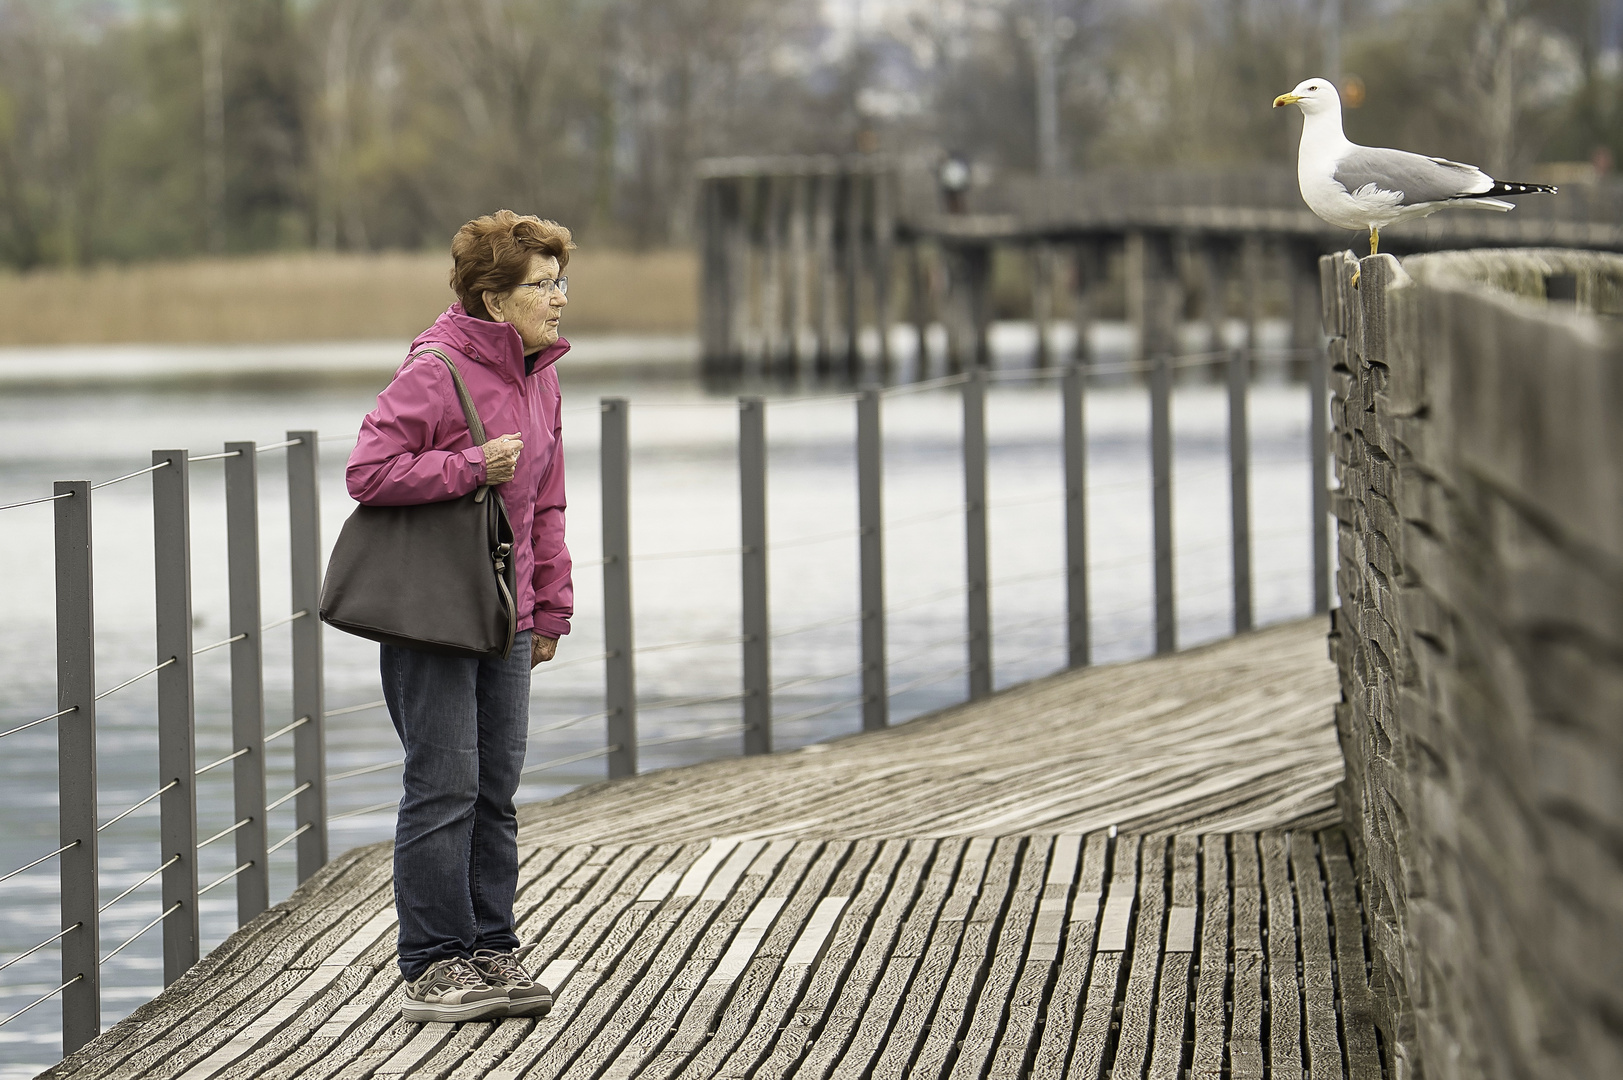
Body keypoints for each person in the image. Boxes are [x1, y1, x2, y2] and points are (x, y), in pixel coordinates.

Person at [346, 210, 573, 1023]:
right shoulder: (436, 368)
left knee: (495, 791)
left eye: (558, 281)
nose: (558, 299)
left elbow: (546, 501)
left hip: (506, 614)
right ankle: (432, 964)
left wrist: (552, 610)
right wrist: (471, 464)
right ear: (493, 295)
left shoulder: (540, 374)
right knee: (442, 787)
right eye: (541, 285)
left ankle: (490, 949)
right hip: (433, 612)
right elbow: (368, 471)